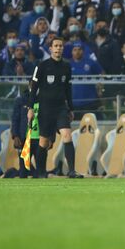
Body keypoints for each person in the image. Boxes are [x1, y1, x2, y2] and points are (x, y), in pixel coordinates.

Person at [29, 38, 80, 179]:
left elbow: (68, 88)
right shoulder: (42, 66)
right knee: (44, 142)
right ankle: (40, 172)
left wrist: (70, 108)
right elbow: (33, 88)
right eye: (56, 46)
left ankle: (71, 171)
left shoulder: (66, 66)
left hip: (60, 108)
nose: (58, 48)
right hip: (45, 109)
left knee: (67, 135)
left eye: (61, 46)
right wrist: (31, 108)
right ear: (50, 48)